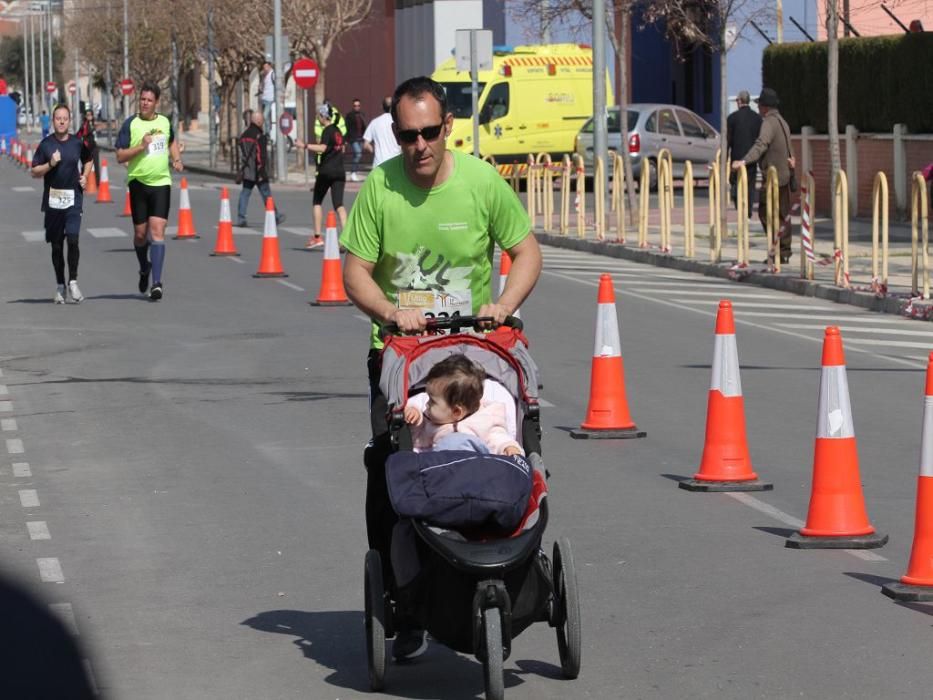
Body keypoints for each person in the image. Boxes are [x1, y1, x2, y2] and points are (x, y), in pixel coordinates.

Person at [340, 75, 542, 660]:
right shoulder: (381, 188)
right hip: (401, 355)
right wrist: (387, 311)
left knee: (499, 443)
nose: (420, 146)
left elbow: (526, 251)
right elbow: (356, 270)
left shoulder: (481, 182)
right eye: (408, 136)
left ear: (447, 127)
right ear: (396, 134)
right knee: (392, 464)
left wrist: (504, 305)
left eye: (430, 133)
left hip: (472, 355)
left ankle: (499, 566)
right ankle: (404, 603)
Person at [115, 81, 184, 301]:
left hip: (161, 183)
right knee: (140, 234)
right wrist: (141, 147)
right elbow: (120, 156)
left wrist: (177, 159)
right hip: (138, 183)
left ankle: (157, 283)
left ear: (156, 103)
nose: (145, 103)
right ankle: (144, 267)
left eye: (149, 100)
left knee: (157, 231)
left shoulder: (164, 122)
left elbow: (172, 141)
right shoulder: (130, 124)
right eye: (142, 99)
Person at [30, 103, 93, 304]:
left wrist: (85, 176)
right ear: (53, 120)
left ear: (70, 120)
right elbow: (34, 171)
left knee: (73, 240)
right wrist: (50, 164)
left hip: (74, 199)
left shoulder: (77, 143)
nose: (62, 121)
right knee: (57, 246)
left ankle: (73, 281)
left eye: (65, 118)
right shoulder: (46, 145)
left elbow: (89, 160)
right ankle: (60, 285)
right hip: (53, 201)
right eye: (58, 118)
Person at [404, 354, 523, 456]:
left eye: (432, 402)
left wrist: (508, 447)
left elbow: (498, 439)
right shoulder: (429, 423)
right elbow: (417, 442)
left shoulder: (486, 419)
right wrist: (415, 419)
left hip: (475, 469)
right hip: (442, 471)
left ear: (456, 412)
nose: (426, 404)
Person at [731, 87, 796, 264]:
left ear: (765, 107)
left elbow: (761, 145)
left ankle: (776, 248)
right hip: (784, 175)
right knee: (783, 214)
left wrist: (743, 161)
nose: (758, 109)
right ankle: (783, 251)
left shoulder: (768, 123)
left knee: (764, 212)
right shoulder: (783, 121)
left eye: (760, 106)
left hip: (773, 177)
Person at [295, 103, 347, 249]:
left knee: (317, 201)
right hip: (339, 171)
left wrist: (305, 146)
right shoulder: (338, 131)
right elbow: (341, 148)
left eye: (319, 115)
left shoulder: (328, 131)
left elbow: (323, 148)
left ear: (324, 117)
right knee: (339, 205)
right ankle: (346, 238)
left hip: (326, 171)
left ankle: (317, 237)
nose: (318, 118)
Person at [236, 111, 284, 227]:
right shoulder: (259, 136)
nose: (263, 122)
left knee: (245, 194)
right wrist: (262, 171)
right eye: (262, 120)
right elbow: (261, 156)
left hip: (248, 171)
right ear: (258, 121)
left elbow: (242, 154)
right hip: (258, 171)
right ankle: (275, 216)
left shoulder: (244, 136)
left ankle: (241, 218)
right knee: (266, 195)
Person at [727, 90, 761, 220]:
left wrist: (724, 159)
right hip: (751, 159)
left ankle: (739, 208)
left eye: (737, 100)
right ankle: (748, 212)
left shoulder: (732, 118)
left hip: (736, 159)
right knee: (750, 186)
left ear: (739, 101)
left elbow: (727, 141)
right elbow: (760, 141)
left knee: (735, 183)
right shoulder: (757, 119)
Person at [362, 95, 401, 169]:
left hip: (378, 164)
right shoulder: (398, 121)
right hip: (396, 165)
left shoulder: (375, 122)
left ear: (382, 107)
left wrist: (376, 151)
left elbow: (365, 145)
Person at [345, 98, 367, 182]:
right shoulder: (349, 115)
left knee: (356, 155)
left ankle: (354, 173)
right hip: (353, 138)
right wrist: (346, 140)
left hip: (361, 138)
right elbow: (346, 128)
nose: (356, 107)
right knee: (358, 154)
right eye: (355, 105)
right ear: (353, 106)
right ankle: (353, 172)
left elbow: (364, 126)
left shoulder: (362, 114)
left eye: (358, 105)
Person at [76, 108, 100, 184]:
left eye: (91, 115)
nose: (89, 116)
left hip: (94, 147)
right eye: (88, 115)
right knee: (85, 164)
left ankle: (97, 182)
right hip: (87, 147)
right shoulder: (84, 125)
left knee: (96, 164)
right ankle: (82, 180)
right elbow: (79, 134)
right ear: (85, 116)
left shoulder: (93, 123)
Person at [258, 61, 275, 134]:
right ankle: (267, 133)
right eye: (264, 67)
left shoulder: (273, 74)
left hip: (269, 99)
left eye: (266, 67)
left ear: (269, 66)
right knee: (266, 117)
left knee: (264, 116)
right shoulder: (265, 75)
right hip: (264, 98)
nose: (265, 69)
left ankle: (267, 132)